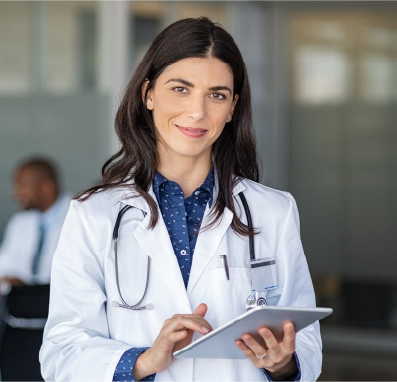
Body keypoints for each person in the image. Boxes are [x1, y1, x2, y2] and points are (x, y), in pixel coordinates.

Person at [40, 18, 321, 382]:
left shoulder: (274, 211)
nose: (197, 112)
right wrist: (143, 361)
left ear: (232, 108)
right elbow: (62, 353)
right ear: (149, 94)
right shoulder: (94, 215)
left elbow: (307, 342)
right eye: (180, 89)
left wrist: (282, 362)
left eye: (216, 95)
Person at [0, 158, 71, 301]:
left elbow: (72, 284)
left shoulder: (79, 220)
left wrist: (25, 288)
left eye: (22, 186)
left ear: (46, 188)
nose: (15, 194)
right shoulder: (20, 223)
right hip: (20, 315)